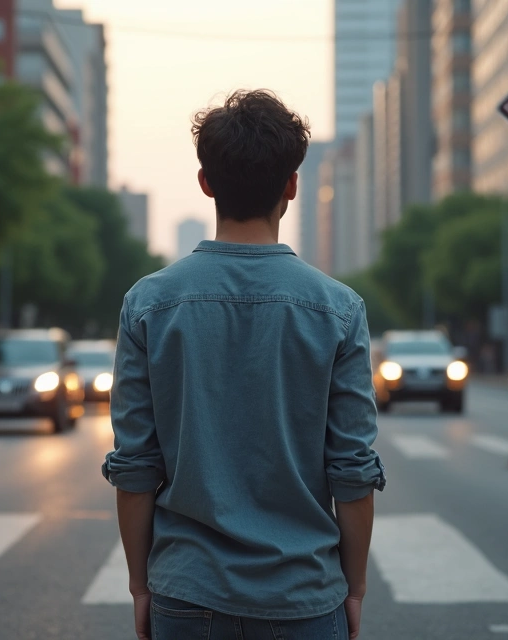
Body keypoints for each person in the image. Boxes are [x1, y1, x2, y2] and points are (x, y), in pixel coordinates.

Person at [102, 90, 384, 640]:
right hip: (304, 597)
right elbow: (352, 469)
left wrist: (141, 586)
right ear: (292, 185)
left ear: (206, 182)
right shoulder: (339, 308)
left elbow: (135, 466)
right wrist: (354, 589)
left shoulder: (148, 303)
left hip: (186, 593)